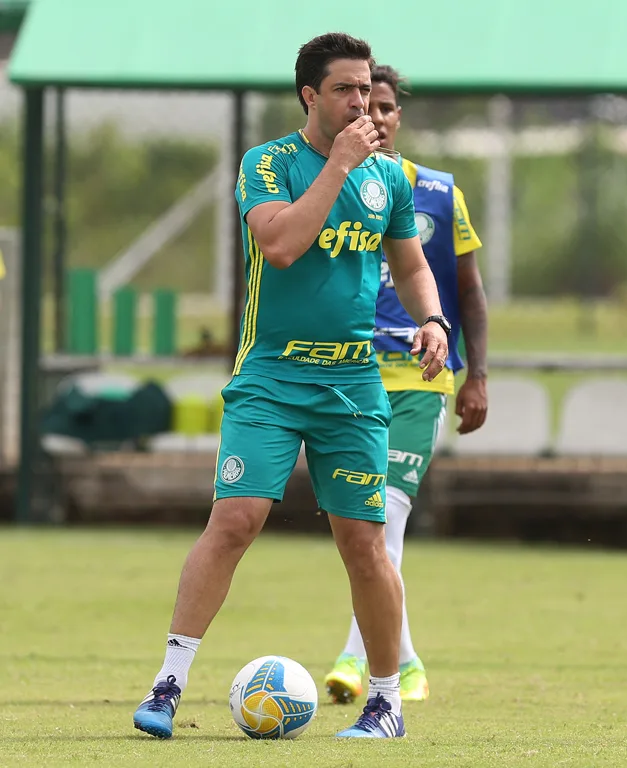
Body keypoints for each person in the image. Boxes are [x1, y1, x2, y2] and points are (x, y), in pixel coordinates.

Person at [132, 34, 452, 741]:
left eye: (366, 89)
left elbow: (411, 266)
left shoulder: (390, 178)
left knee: (365, 542)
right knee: (236, 520)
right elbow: (280, 245)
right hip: (272, 377)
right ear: (310, 95)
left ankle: (384, 702)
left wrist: (432, 318)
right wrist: (338, 166)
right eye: (345, 90)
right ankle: (168, 684)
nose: (361, 102)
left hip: (351, 382)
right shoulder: (268, 164)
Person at [325, 65, 488, 704]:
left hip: (421, 379)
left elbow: (469, 293)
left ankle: (351, 656)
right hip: (347, 375)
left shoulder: (441, 192)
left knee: (384, 516)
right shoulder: (330, 184)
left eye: (388, 106)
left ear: (398, 114)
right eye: (369, 103)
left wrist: (477, 375)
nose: (380, 115)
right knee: (360, 526)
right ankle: (409, 663)